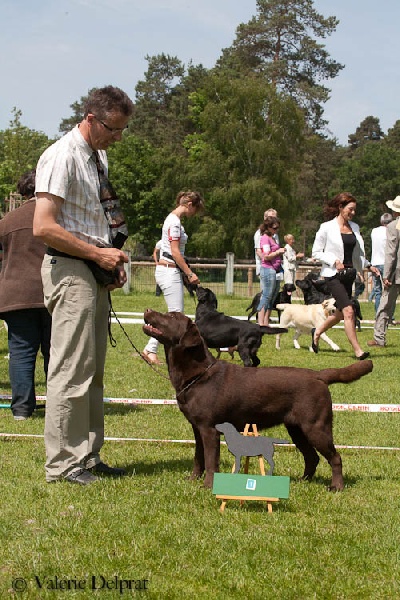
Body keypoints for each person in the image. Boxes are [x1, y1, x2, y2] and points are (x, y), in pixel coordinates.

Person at [33, 85, 133, 485]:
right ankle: (61, 464)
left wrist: (109, 260)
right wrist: (95, 255)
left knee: (91, 371)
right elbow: (44, 226)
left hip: (91, 271)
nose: (117, 137)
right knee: (70, 370)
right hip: (70, 270)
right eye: (112, 128)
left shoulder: (97, 155)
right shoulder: (61, 156)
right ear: (90, 119)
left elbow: (93, 219)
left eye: (123, 130)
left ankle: (88, 456)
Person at [0, 170, 52, 421]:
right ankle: (57, 407)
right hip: (51, 292)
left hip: (15, 296)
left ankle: (21, 410)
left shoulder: (7, 221)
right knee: (55, 352)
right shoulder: (56, 217)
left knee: (21, 353)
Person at [311, 192, 380, 360]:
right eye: (350, 209)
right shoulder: (326, 227)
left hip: (349, 274)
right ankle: (358, 351)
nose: (353, 213)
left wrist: (369, 265)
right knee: (349, 311)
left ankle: (317, 331)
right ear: (340, 208)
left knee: (342, 313)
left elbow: (357, 255)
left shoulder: (355, 228)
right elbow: (316, 252)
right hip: (333, 275)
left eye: (355, 210)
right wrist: (333, 260)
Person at [142, 191, 204, 365]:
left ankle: (150, 349)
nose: (194, 214)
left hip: (168, 270)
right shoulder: (174, 222)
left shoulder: (172, 220)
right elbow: (175, 252)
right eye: (196, 210)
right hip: (170, 271)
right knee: (176, 316)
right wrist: (189, 273)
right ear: (190, 204)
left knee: (174, 315)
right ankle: (150, 350)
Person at [368, 197, 400, 348]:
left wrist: (386, 274)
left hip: (396, 273)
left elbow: (391, 253)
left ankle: (379, 337)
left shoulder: (394, 226)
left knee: (385, 305)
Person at [256, 215, 285, 326]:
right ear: (267, 227)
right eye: (274, 228)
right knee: (266, 296)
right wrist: (278, 252)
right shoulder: (264, 238)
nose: (276, 230)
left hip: (276, 270)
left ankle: (266, 322)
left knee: (272, 297)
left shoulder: (272, 237)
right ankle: (261, 323)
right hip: (268, 269)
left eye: (277, 228)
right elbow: (266, 256)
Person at [370, 213, 393, 313]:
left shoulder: (374, 231)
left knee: (378, 291)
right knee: (389, 292)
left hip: (374, 263)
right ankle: (389, 315)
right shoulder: (391, 231)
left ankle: (378, 313)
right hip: (386, 263)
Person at [254, 208, 278, 279]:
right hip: (265, 268)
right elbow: (258, 251)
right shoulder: (260, 233)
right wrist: (269, 263)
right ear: (265, 219)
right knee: (267, 290)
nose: (274, 220)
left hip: (275, 268)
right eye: (271, 217)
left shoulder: (275, 234)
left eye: (275, 218)